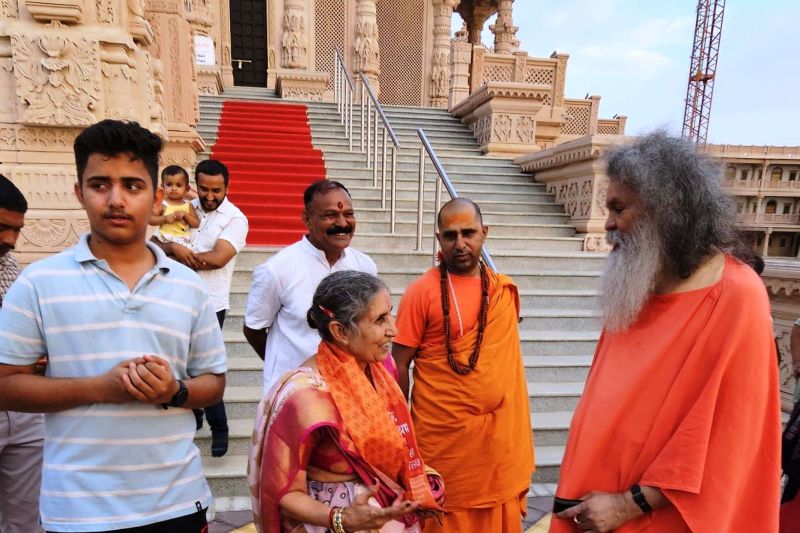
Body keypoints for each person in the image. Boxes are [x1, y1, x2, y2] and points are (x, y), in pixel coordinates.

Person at [0, 120, 227, 532]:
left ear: (156, 197)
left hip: (177, 501)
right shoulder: (38, 283)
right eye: (100, 185)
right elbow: (5, 386)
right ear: (79, 192)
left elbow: (213, 381)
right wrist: (100, 388)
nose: (116, 200)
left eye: (133, 186)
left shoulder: (189, 287)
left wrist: (173, 391)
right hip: (78, 511)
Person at [550, 132, 780, 532]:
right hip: (589, 507)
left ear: (665, 210)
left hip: (654, 517)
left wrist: (626, 505)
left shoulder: (738, 295)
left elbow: (730, 440)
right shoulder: (637, 285)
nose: (608, 224)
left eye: (619, 208)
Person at [248, 270, 444, 533]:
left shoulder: (380, 373)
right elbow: (283, 492)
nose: (393, 330)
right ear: (340, 331)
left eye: (390, 313)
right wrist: (342, 519)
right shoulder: (305, 396)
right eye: (380, 320)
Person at [392, 198, 534, 533]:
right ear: (439, 239)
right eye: (450, 235)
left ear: (484, 233)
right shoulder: (421, 292)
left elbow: (501, 363)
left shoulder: (501, 291)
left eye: (468, 233)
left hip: (498, 442)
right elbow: (398, 364)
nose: (460, 244)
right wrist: (401, 432)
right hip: (444, 442)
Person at [243, 180, 377, 393]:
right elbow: (253, 329)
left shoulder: (364, 267)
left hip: (349, 389)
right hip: (295, 393)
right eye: (330, 215)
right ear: (307, 219)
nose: (342, 223)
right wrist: (286, 370)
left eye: (348, 214)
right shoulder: (278, 269)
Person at [154, 158, 248, 457]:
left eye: (216, 190)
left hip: (211, 303)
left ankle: (219, 427)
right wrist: (171, 248)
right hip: (173, 297)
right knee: (177, 362)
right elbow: (153, 245)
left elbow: (218, 258)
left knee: (206, 367)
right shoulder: (181, 206)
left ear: (227, 187)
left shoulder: (235, 218)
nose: (209, 196)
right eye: (204, 189)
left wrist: (178, 257)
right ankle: (193, 412)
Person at [0, 175, 44, 533]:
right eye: (2, 227)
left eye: (16, 230)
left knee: (26, 522)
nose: (10, 240)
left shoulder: (10, 267)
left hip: (24, 408)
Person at [149, 164, 199, 246]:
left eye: (178, 185)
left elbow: (196, 224)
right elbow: (150, 220)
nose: (173, 188)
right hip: (165, 239)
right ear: (163, 186)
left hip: (183, 240)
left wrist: (185, 215)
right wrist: (164, 219)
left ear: (187, 189)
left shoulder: (188, 205)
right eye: (169, 185)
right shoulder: (163, 204)